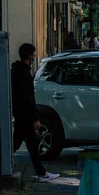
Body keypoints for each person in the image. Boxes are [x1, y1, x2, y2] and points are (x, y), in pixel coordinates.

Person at [12, 44, 60, 182]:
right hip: (25, 117)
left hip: (22, 115)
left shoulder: (18, 71)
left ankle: (42, 173)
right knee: (22, 144)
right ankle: (42, 173)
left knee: (30, 145)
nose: (34, 57)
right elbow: (28, 98)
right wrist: (35, 119)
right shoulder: (24, 74)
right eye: (33, 54)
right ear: (28, 56)